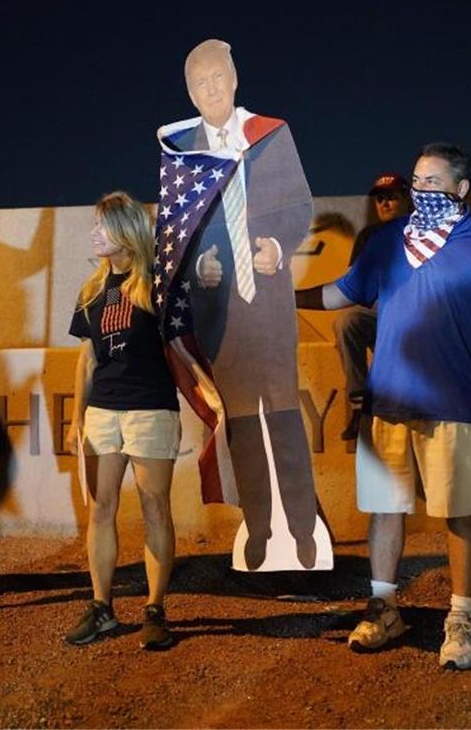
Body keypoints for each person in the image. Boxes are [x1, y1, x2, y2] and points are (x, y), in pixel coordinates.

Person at [296, 143, 471, 669]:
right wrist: (285, 296)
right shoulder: (386, 242)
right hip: (388, 401)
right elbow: (344, 293)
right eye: (417, 181)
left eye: (433, 182)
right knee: (385, 508)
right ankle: (384, 608)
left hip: (454, 402)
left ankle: (461, 615)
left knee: (458, 512)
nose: (422, 190)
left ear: (461, 189)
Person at [157, 38, 328, 571]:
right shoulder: (182, 153)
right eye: (199, 83)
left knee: (282, 417)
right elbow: (176, 227)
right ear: (190, 91)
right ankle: (259, 528)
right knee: (242, 426)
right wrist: (196, 267)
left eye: (217, 79)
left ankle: (303, 531)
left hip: (268, 306)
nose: (210, 90)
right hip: (218, 313)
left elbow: (298, 204)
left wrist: (277, 245)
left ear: (234, 80)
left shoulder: (270, 135)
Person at [63, 192, 181, 650]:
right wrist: (76, 420)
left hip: (151, 409)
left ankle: (155, 608)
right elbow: (87, 361)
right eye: (95, 225)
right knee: (101, 509)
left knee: (155, 508)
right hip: (103, 413)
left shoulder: (157, 285)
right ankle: (102, 607)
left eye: (103, 225)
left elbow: (191, 337)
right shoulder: (92, 290)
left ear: (127, 232)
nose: (94, 233)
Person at [334, 172, 407, 440]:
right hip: (379, 311)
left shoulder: (423, 231)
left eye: (391, 198)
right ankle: (358, 405)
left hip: (416, 316)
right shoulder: (369, 236)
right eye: (380, 199)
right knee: (346, 321)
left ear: (407, 200)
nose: (384, 204)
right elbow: (355, 284)